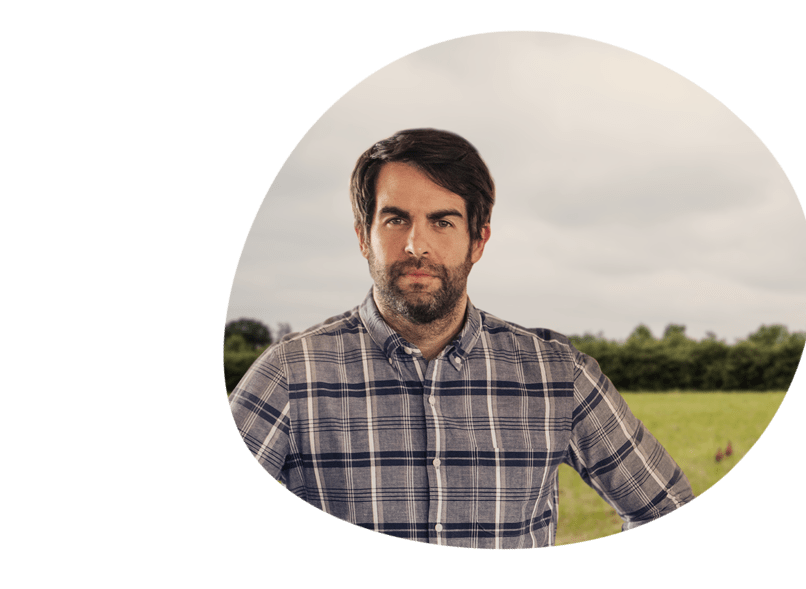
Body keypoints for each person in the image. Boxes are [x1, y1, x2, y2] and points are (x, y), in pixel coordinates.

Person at [228, 128, 694, 549]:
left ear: (479, 240)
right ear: (362, 237)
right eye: (395, 220)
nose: (417, 245)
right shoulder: (289, 375)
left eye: (443, 221)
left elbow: (666, 510)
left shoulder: (557, 376)